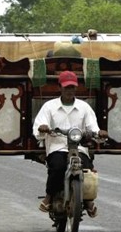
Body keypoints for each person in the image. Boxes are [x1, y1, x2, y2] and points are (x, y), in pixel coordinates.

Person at [33, 71, 108, 217]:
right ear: (59, 87)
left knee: (87, 169)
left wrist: (99, 133)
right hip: (57, 147)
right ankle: (49, 197)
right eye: (66, 87)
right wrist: (43, 128)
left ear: (76, 88)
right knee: (57, 167)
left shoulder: (84, 107)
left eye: (72, 87)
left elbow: (93, 127)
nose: (69, 91)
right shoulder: (49, 107)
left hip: (79, 147)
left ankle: (87, 201)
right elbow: (38, 128)